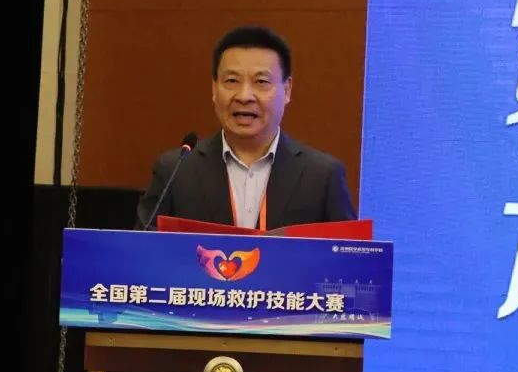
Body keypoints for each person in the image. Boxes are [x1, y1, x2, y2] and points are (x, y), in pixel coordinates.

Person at [137, 25, 356, 230]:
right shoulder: (175, 171)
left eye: (261, 82)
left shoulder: (322, 176)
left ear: (287, 90)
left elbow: (348, 255)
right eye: (232, 81)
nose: (244, 96)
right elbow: (141, 251)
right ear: (214, 88)